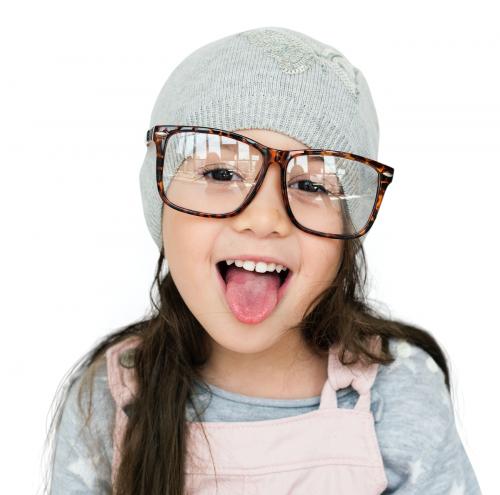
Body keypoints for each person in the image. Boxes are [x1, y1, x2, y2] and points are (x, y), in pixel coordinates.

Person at [43, 26, 482, 494]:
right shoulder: (111, 399)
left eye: (310, 185)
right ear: (162, 201)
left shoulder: (397, 392)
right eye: (220, 172)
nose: (265, 217)